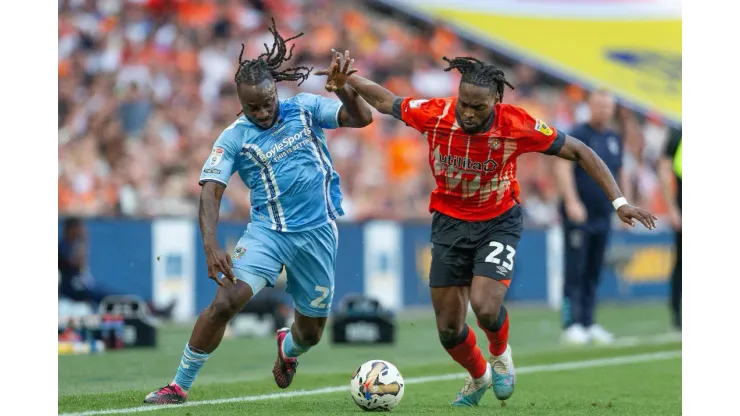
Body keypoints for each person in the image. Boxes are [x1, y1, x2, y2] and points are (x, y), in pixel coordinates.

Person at [319, 53, 656, 407]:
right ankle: (479, 376)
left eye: (477, 107)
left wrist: (620, 202)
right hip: (449, 223)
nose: (467, 113)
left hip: (498, 221)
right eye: (463, 104)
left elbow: (580, 151)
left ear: (496, 100)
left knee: (484, 306)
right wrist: (350, 80)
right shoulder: (436, 113)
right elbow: (386, 101)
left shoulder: (516, 123)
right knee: (449, 330)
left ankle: (499, 353)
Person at [143, 20, 373, 405]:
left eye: (267, 102)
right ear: (240, 102)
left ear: (275, 90)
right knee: (225, 302)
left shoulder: (305, 108)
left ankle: (288, 348)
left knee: (311, 333)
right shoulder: (234, 137)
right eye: (252, 107)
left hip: (317, 233)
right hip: (267, 234)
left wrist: (345, 89)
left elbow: (362, 118)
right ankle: (178, 386)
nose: (263, 111)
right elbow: (211, 191)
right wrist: (211, 245)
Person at [554, 89, 632, 346]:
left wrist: (624, 204)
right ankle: (571, 324)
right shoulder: (577, 134)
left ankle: (588, 321)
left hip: (602, 214)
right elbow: (562, 167)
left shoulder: (613, 138)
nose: (603, 111)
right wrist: (572, 201)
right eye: (599, 105)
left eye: (607, 106)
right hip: (580, 214)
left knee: (594, 269)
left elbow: (620, 173)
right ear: (589, 106)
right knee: (575, 269)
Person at [658, 127, 681, 330]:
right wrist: (672, 208)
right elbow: (664, 170)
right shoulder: (678, 133)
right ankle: (677, 313)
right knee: (682, 261)